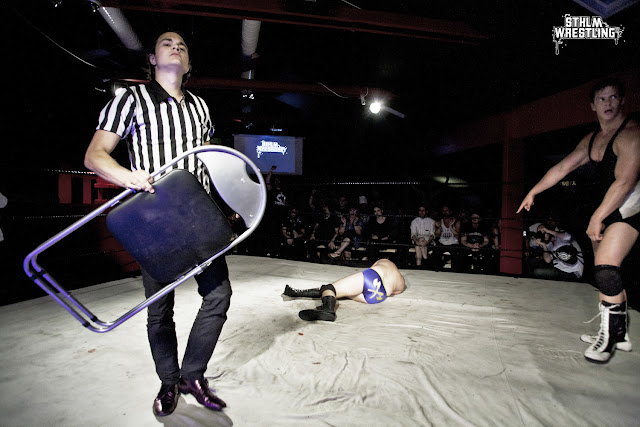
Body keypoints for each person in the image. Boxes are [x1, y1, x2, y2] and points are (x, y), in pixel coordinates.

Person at [84, 31, 229, 416]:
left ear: (189, 63)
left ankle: (192, 375)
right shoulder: (132, 99)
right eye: (167, 43)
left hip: (198, 216)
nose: (176, 47)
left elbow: (206, 159)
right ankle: (168, 381)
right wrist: (128, 176)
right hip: (156, 219)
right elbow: (95, 155)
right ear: (151, 58)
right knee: (160, 309)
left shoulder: (200, 106)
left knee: (219, 295)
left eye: (182, 45)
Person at [517, 76, 640, 363]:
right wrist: (534, 191)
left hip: (630, 208)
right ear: (592, 105)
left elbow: (625, 182)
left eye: (613, 97)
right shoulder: (592, 139)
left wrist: (597, 217)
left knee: (607, 267)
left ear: (623, 100)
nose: (608, 103)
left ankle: (608, 341)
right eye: (602, 98)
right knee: (604, 273)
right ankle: (618, 332)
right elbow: (563, 167)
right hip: (607, 207)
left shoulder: (632, 134)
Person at [282, 259, 406, 321]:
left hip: (373, 278)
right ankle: (297, 293)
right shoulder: (401, 282)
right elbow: (395, 292)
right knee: (342, 293)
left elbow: (370, 273)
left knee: (330, 288)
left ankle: (328, 309)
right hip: (378, 297)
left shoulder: (383, 262)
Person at [433, 205, 461, 270]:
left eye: (447, 210)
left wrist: (451, 227)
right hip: (442, 243)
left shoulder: (456, 222)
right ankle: (437, 271)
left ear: (450, 212)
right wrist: (439, 227)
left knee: (456, 255)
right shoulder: (439, 222)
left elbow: (457, 235)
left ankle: (454, 271)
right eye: (443, 211)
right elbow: (436, 235)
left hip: (453, 243)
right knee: (435, 253)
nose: (445, 212)